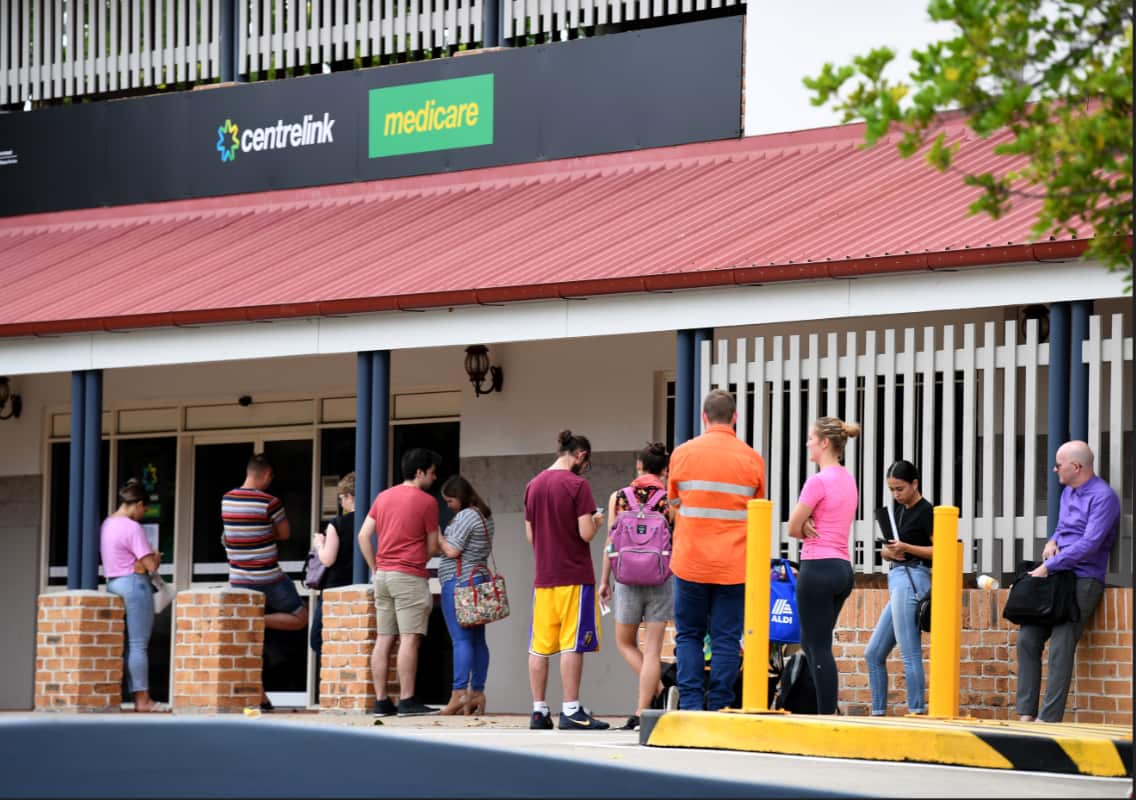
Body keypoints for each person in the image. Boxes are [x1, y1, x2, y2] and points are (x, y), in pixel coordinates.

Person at [667, 390, 766, 712]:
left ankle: (692, 704)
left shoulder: (682, 454)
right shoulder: (752, 459)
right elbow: (757, 511)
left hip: (691, 562)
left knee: (689, 636)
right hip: (734, 565)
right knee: (726, 638)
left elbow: (674, 505)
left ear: (703, 417)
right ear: (735, 417)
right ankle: (722, 705)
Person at [1016, 440, 1120, 723]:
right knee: (1027, 637)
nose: (1054, 469)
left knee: (1062, 644)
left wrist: (1048, 566)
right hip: (1057, 575)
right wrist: (1052, 540)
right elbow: (1063, 528)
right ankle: (1025, 714)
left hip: (1084, 579)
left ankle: (1048, 719)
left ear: (1076, 467)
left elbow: (1090, 544)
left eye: (1059, 465)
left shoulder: (1103, 497)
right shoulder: (1067, 493)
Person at [524, 430, 609, 730]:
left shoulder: (533, 486)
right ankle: (571, 710)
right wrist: (598, 521)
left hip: (544, 577)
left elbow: (530, 535)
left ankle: (538, 710)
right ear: (581, 455)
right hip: (574, 576)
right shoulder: (577, 485)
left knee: (540, 647)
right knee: (572, 644)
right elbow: (585, 532)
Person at [358, 448, 442, 717]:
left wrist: (374, 567)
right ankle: (407, 699)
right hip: (409, 577)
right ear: (419, 472)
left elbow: (363, 536)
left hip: (382, 576)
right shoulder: (427, 502)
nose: (434, 477)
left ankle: (381, 701)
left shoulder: (383, 497)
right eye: (431, 472)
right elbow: (432, 545)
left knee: (384, 639)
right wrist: (416, 559)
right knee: (409, 639)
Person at [222, 453, 308, 712]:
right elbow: (285, 533)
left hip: (239, 578)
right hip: (269, 577)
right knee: (301, 616)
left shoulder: (227, 499)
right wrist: (263, 527)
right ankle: (259, 619)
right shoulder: (270, 502)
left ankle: (259, 696)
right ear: (268, 475)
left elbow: (228, 536)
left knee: (249, 641)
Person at [788, 416, 860, 715]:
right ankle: (821, 706)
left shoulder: (817, 481)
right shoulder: (848, 479)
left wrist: (804, 526)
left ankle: (827, 714)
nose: (808, 444)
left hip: (817, 566)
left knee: (818, 646)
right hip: (842, 568)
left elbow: (792, 527)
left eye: (810, 438)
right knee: (813, 640)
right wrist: (807, 524)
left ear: (825, 443)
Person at [599, 441, 673, 730]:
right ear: (665, 470)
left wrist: (605, 579)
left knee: (625, 643)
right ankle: (644, 710)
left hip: (626, 579)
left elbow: (610, 542)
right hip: (660, 578)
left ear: (639, 466)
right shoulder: (670, 500)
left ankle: (655, 691)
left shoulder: (619, 497)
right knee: (653, 649)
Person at [864, 460, 933, 716]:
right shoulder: (899, 510)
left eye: (900, 488)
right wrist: (890, 552)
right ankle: (878, 711)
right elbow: (890, 550)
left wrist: (907, 548)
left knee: (909, 651)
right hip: (897, 578)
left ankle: (916, 710)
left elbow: (942, 550)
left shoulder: (927, 511)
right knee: (873, 653)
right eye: (892, 489)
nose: (896, 494)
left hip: (914, 578)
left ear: (915, 483)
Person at [100, 478, 164, 712]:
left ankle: (130, 696)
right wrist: (155, 556)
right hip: (134, 585)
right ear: (137, 504)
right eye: (143, 509)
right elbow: (150, 566)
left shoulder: (107, 524)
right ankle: (142, 700)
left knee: (124, 645)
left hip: (113, 584)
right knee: (138, 645)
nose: (142, 514)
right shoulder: (132, 527)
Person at [436, 475, 494, 716]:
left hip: (459, 583)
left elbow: (452, 549)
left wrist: (437, 535)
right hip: (478, 581)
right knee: (477, 640)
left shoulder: (466, 515)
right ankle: (477, 692)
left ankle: (459, 693)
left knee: (461, 640)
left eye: (449, 501)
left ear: (460, 497)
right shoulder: (484, 515)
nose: (448, 506)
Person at [309, 472, 357, 692]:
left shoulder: (337, 524)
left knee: (319, 639)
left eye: (341, 497)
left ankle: (337, 678)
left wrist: (319, 544)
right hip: (357, 588)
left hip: (334, 590)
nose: (341, 502)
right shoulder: (372, 522)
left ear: (348, 496)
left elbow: (328, 559)